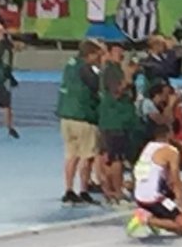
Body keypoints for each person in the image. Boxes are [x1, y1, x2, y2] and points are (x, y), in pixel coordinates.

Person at [57, 39, 103, 206]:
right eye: (98, 55)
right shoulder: (87, 69)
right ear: (90, 54)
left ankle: (69, 190)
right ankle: (84, 190)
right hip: (83, 116)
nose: (99, 58)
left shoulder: (70, 65)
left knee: (71, 155)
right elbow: (98, 86)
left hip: (66, 116)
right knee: (87, 156)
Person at [126, 121, 182, 237]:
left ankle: (152, 217)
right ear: (169, 134)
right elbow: (175, 179)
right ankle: (145, 219)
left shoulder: (148, 148)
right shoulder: (171, 151)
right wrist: (181, 205)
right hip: (153, 198)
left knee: (172, 215)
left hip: (140, 196)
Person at [98, 41, 140, 206]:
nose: (121, 53)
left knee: (114, 157)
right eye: (117, 50)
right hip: (115, 120)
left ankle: (112, 190)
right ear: (109, 52)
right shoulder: (111, 70)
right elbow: (117, 92)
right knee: (116, 158)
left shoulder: (115, 69)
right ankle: (115, 191)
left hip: (119, 120)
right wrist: (129, 76)